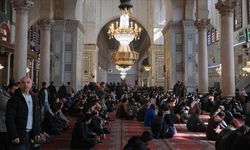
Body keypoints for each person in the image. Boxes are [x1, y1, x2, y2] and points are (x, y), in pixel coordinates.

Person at [6, 76, 42, 150]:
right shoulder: (14, 99)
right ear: (19, 85)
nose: (26, 84)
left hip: (31, 135)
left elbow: (37, 117)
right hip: (19, 134)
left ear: (31, 84)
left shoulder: (34, 98)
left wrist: (37, 132)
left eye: (28, 82)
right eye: (23, 82)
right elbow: (10, 119)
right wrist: (14, 135)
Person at [0, 83, 18, 150]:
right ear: (8, 89)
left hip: (8, 127)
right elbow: (10, 108)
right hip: (3, 127)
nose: (15, 92)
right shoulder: (2, 97)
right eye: (14, 90)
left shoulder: (12, 97)